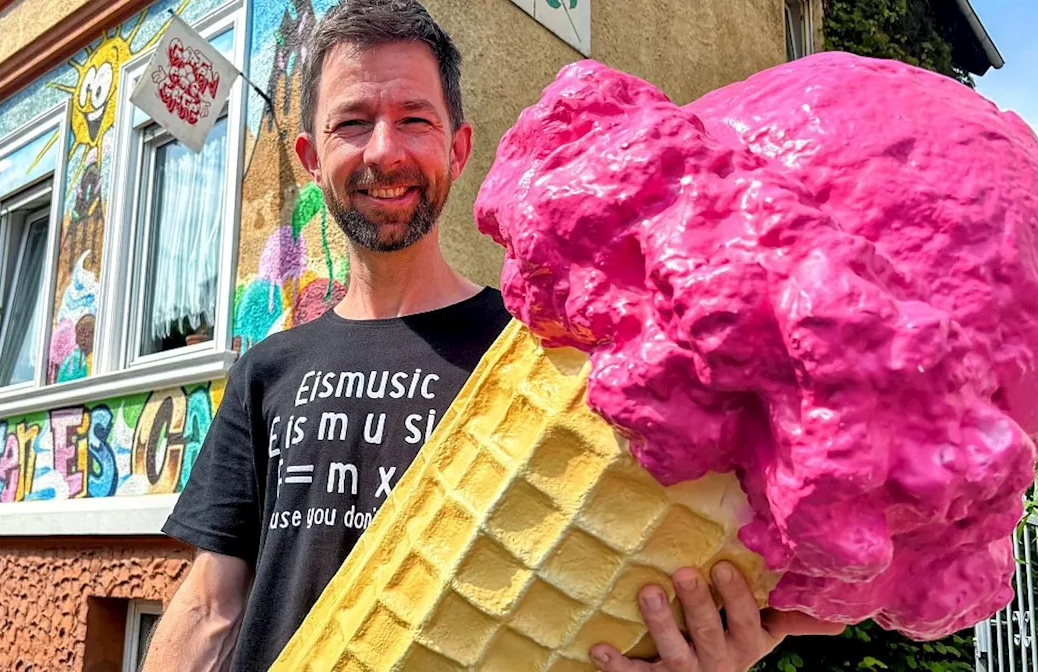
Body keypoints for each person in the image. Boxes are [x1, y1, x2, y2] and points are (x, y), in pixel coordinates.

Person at [143, 2, 843, 671]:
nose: (384, 152)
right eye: (352, 122)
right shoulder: (267, 369)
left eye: (415, 119)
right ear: (308, 155)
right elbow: (212, 604)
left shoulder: (546, 356)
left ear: (458, 148)